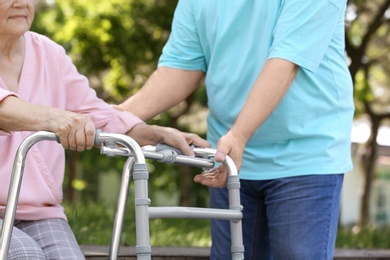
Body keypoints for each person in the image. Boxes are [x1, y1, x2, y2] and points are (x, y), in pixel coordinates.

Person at [117, 1, 355, 259]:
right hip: (229, 157)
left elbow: (287, 59)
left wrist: (239, 135)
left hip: (305, 155)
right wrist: (115, 118)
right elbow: (181, 66)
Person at [0, 0, 209, 259]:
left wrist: (154, 133)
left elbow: (96, 115)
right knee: (24, 254)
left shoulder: (49, 54)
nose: (20, 3)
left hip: (39, 212)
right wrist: (56, 118)